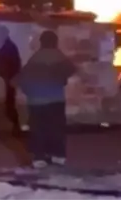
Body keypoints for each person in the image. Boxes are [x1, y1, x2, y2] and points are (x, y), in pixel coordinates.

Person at [13, 30, 76, 169]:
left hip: (36, 101)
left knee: (38, 129)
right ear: (55, 42)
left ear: (41, 42)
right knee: (56, 128)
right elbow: (71, 70)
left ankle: (39, 156)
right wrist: (61, 79)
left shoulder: (34, 59)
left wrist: (28, 91)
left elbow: (20, 79)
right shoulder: (59, 56)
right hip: (56, 99)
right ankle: (58, 155)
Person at [0, 26, 23, 135]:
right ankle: (13, 127)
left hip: (6, 80)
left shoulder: (4, 47)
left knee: (7, 104)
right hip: (8, 80)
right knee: (8, 103)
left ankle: (13, 127)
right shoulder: (9, 46)